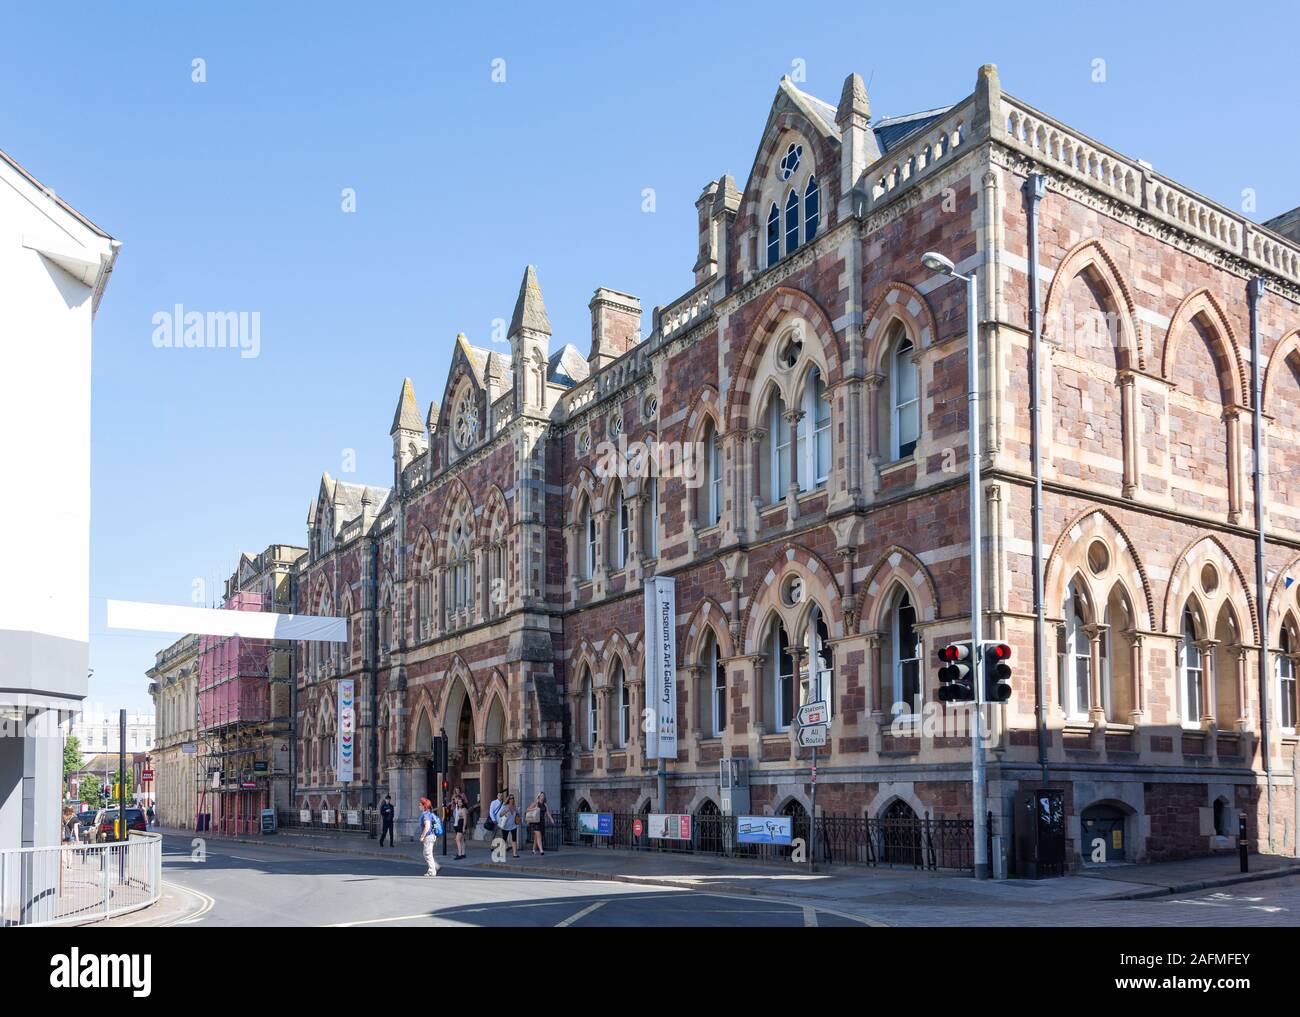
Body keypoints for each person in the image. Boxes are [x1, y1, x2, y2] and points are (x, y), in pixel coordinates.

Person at [418, 797, 441, 876]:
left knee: (427, 853)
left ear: (424, 806)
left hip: (429, 836)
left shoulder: (426, 814)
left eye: (420, 805)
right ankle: (435, 866)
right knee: (426, 853)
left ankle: (432, 871)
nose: (419, 806)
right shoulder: (428, 813)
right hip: (431, 836)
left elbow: (427, 826)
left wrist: (422, 836)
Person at [498, 794, 520, 858]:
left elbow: (517, 814)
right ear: (508, 799)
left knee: (514, 839)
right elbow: (500, 815)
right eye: (510, 798)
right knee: (504, 840)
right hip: (505, 826)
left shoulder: (515, 807)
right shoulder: (505, 806)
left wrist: (518, 814)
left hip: (513, 825)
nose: (512, 799)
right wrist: (507, 810)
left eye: (513, 798)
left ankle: (515, 854)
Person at [452, 793, 467, 860]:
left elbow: (465, 819)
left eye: (460, 802)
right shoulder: (459, 809)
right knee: (462, 840)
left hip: (461, 825)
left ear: (462, 803)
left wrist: (464, 828)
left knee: (457, 839)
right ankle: (463, 853)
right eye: (458, 802)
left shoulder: (463, 809)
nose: (459, 803)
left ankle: (459, 854)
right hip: (459, 824)